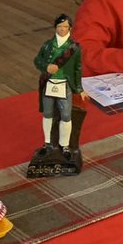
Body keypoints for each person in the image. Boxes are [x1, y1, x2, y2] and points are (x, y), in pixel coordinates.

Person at [33, 13, 84, 157]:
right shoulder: (48, 45)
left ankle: (65, 145)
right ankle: (48, 143)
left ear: (70, 28)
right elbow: (37, 60)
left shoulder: (74, 48)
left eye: (65, 27)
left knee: (66, 115)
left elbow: (77, 69)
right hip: (49, 84)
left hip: (65, 85)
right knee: (48, 114)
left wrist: (79, 89)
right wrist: (46, 67)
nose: (62, 29)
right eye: (60, 26)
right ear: (55, 27)